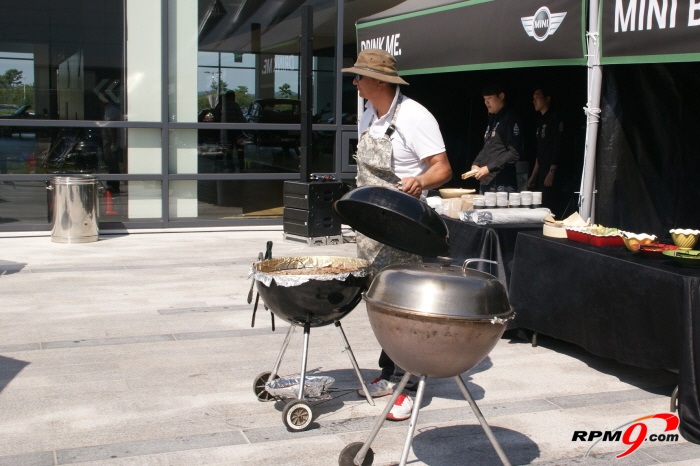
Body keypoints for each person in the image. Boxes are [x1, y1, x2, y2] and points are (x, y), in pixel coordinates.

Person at [341, 48, 452, 421]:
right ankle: (389, 374)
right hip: (371, 230)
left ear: (379, 81)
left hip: (404, 229)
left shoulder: (416, 116)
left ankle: (406, 384)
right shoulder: (368, 114)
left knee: (401, 309)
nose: (354, 82)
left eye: (359, 76)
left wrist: (420, 180)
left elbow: (443, 168)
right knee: (378, 304)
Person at [471, 83, 523, 193]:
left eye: (489, 98)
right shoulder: (493, 119)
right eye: (485, 99)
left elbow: (514, 153)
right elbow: (487, 147)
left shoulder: (510, 118)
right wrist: (476, 164)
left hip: (502, 185)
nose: (486, 103)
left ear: (501, 97)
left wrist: (488, 168)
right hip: (486, 183)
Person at [528, 86, 565, 214]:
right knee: (541, 206)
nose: (534, 101)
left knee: (551, 206)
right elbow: (540, 151)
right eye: (533, 98)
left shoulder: (555, 118)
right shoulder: (540, 121)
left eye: (537, 97)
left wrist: (552, 171)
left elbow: (558, 145)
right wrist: (533, 175)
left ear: (547, 99)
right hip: (541, 171)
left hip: (552, 172)